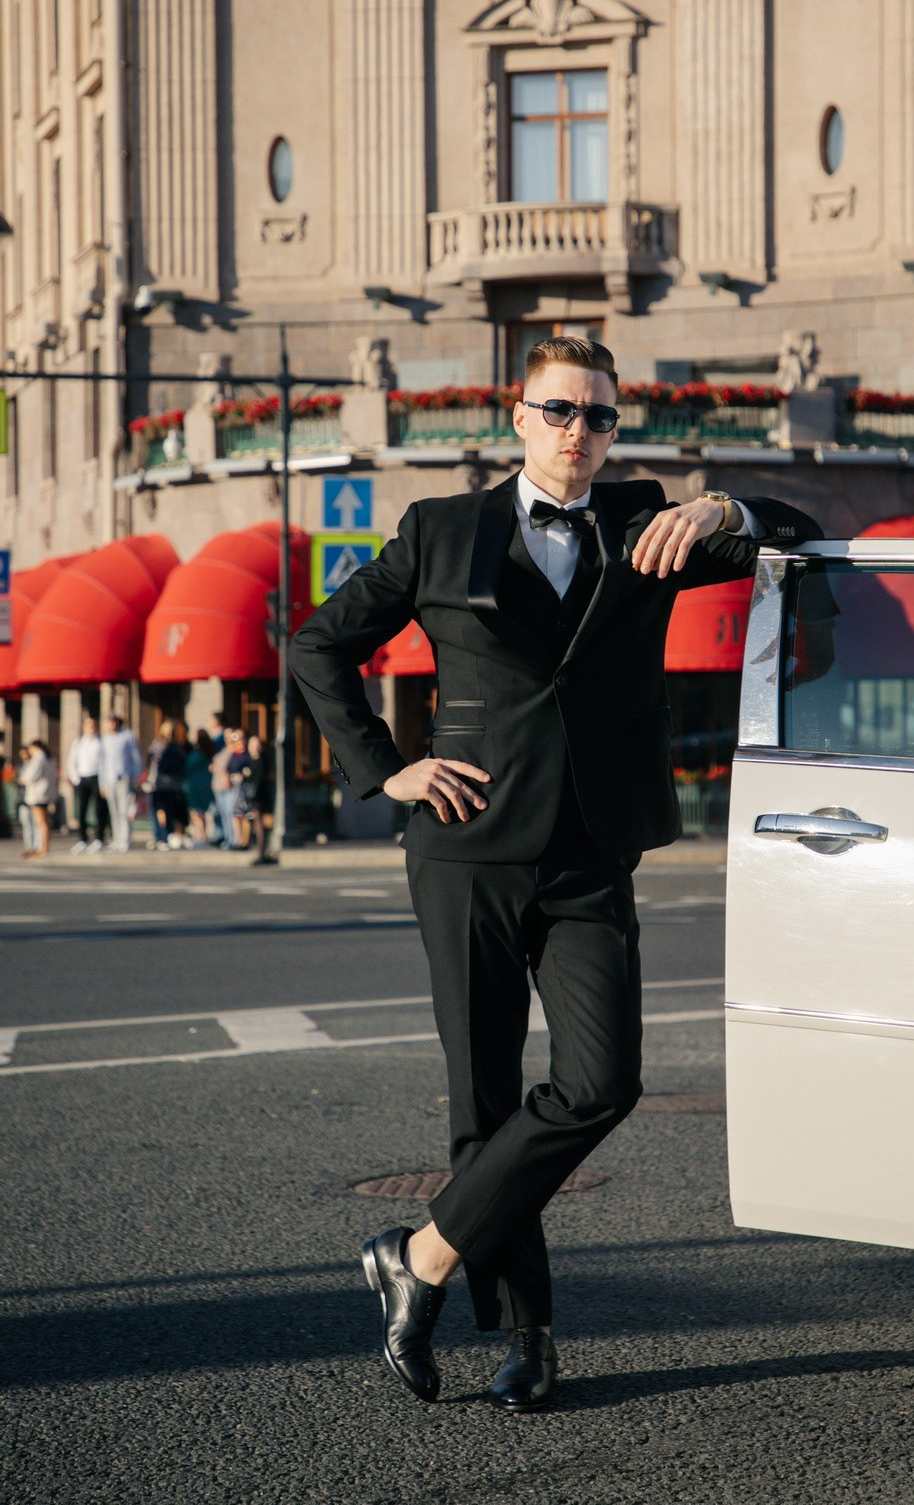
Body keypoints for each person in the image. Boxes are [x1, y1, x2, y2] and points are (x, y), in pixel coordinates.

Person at [289, 336, 821, 1412]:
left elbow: (803, 535)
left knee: (601, 1081)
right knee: (483, 1101)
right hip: (466, 844)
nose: (582, 432)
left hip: (590, 847)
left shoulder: (647, 525)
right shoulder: (442, 530)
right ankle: (528, 1338)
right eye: (563, 411)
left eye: (603, 417)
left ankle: (422, 1257)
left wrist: (723, 511)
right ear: (519, 416)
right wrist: (385, 771)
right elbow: (317, 646)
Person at [100, 715, 143, 855]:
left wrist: (136, 775)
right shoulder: (105, 739)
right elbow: (102, 763)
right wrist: (102, 783)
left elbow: (135, 756)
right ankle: (116, 839)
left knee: (124, 811)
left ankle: (125, 839)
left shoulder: (127, 736)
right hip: (109, 779)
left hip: (125, 778)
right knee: (114, 811)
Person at [66, 715, 109, 852]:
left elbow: (106, 762)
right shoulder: (79, 742)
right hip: (82, 778)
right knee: (82, 810)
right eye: (89, 725)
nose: (92, 728)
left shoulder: (101, 742)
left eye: (94, 725)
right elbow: (72, 760)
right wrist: (75, 778)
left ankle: (99, 838)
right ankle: (82, 839)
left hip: (98, 777)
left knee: (99, 809)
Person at [146, 718, 188, 848]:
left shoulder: (172, 746)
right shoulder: (171, 745)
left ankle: (163, 836)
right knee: (161, 810)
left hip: (165, 783)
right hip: (161, 783)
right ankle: (162, 836)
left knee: (163, 810)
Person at [18, 740, 59, 859]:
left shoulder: (38, 757)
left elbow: (32, 775)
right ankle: (43, 846)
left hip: (38, 794)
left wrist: (22, 780)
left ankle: (43, 847)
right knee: (45, 822)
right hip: (46, 792)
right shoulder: (49, 757)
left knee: (41, 822)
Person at [244, 733, 277, 865]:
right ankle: (262, 852)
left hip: (260, 796)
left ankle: (262, 853)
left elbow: (259, 780)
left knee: (261, 825)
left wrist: (247, 775)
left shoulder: (262, 761)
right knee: (258, 825)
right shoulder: (251, 760)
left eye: (257, 745)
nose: (254, 747)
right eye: (252, 744)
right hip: (255, 796)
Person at [185, 727, 216, 846]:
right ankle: (204, 835)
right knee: (202, 811)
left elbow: (187, 767)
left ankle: (201, 835)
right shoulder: (209, 751)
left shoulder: (196, 754)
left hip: (194, 784)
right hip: (206, 783)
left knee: (195, 811)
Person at [210, 726, 238, 851]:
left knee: (231, 813)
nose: (228, 739)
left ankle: (234, 839)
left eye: (230, 736)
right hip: (218, 786)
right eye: (226, 737)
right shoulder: (223, 750)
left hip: (229, 787)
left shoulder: (235, 751)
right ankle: (227, 838)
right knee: (223, 814)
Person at [14, 745, 37, 853]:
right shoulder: (20, 768)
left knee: (36, 823)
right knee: (26, 823)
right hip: (23, 798)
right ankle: (29, 846)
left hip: (35, 797)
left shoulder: (35, 765)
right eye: (22, 754)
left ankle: (37, 846)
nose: (25, 756)